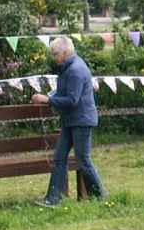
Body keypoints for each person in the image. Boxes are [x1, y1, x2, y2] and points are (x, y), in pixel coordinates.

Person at [31, 35, 106, 204]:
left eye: (55, 54)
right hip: (70, 121)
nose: (54, 58)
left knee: (83, 160)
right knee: (59, 158)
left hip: (81, 121)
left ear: (65, 52)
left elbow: (73, 100)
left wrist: (47, 100)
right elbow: (63, 92)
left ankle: (100, 198)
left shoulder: (75, 70)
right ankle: (53, 198)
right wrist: (49, 95)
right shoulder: (67, 68)